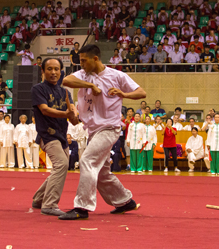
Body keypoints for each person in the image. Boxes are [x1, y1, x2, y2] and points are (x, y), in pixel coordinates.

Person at [60, 44, 145, 220]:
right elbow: (66, 81)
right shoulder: (83, 75)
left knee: (87, 161)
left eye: (84, 60)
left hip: (109, 128)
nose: (81, 64)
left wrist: (124, 94)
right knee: (101, 172)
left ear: (95, 59)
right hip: (92, 130)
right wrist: (90, 84)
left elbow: (141, 92)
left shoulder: (117, 75)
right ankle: (124, 201)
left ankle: (82, 208)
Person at [31, 58, 78, 216]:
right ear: (43, 71)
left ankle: (39, 199)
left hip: (61, 136)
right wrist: (67, 114)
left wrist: (75, 114)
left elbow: (72, 109)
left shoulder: (65, 92)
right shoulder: (38, 89)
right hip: (47, 134)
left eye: (56, 69)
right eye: (49, 69)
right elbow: (44, 110)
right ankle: (49, 204)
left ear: (61, 71)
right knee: (62, 164)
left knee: (61, 167)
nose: (53, 72)